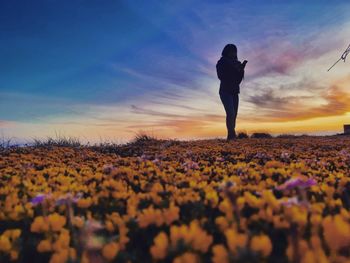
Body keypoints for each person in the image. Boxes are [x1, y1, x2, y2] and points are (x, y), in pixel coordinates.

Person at [216, 44, 247, 141]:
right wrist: (233, 69)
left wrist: (241, 70)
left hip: (234, 91)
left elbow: (237, 81)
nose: (233, 53)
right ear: (226, 51)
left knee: (234, 114)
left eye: (235, 51)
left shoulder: (236, 63)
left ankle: (232, 135)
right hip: (225, 91)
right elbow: (221, 76)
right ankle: (231, 135)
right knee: (231, 113)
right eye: (231, 51)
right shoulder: (221, 62)